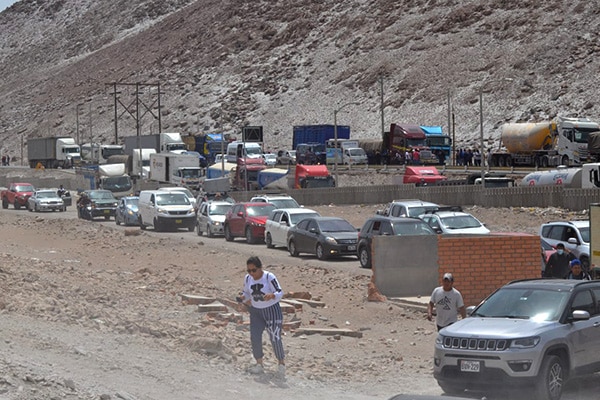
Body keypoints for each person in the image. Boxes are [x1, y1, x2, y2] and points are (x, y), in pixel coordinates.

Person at [238, 256, 286, 380]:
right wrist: (243, 298)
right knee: (255, 336)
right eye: (249, 270)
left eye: (254, 270)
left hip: (271, 310)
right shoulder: (248, 278)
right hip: (256, 311)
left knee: (275, 337)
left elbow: (280, 292)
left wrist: (272, 295)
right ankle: (259, 363)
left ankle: (281, 364)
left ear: (260, 268)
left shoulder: (269, 277)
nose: (252, 273)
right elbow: (246, 292)